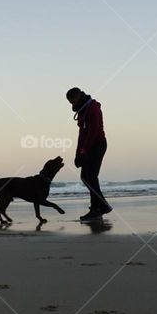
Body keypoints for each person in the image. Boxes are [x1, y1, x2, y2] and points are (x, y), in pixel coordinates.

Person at [66, 87, 112, 221]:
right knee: (87, 177)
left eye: (72, 100)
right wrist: (77, 153)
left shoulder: (92, 108)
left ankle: (100, 207)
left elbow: (93, 132)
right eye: (70, 102)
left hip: (97, 145)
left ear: (79, 96)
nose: (72, 104)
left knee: (89, 177)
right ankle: (98, 207)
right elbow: (82, 134)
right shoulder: (82, 110)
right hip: (88, 147)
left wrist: (84, 151)